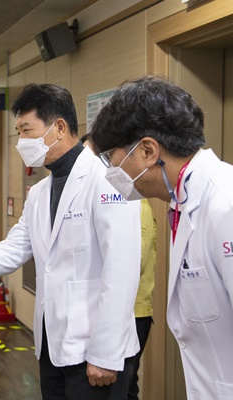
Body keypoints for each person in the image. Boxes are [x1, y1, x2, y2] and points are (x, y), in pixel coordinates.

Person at [0, 83, 141, 400]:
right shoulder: (42, 191)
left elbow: (122, 271)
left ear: (59, 127)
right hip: (53, 344)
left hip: (97, 351)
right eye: (18, 132)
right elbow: (14, 248)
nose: (21, 143)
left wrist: (106, 353)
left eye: (26, 131)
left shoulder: (107, 181)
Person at [90, 75, 233, 399]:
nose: (111, 172)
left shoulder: (232, 207)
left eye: (112, 159)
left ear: (147, 150)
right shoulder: (183, 204)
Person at [80, 134, 157, 400]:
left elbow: (131, 263)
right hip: (105, 310)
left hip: (132, 311)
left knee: (122, 384)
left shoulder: (128, 200)